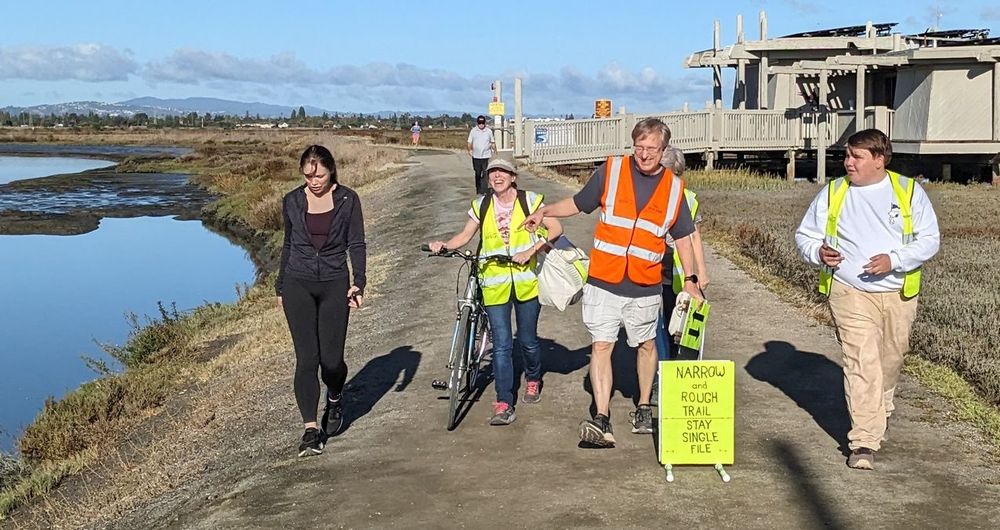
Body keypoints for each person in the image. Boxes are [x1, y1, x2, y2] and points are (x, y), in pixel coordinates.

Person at [522, 118, 703, 447]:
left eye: (652, 149)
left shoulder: (674, 189)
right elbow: (578, 204)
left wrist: (690, 279)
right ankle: (601, 418)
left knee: (647, 346)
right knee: (601, 346)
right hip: (604, 280)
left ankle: (644, 407)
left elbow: (684, 239)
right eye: (639, 146)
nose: (644, 154)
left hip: (645, 284)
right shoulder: (612, 171)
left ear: (664, 151)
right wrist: (544, 211)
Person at [794, 128, 940, 470]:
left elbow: (929, 239)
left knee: (891, 358)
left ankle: (880, 406)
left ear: (879, 159)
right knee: (861, 361)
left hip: (897, 291)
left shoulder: (908, 192)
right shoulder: (834, 192)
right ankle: (863, 441)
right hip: (849, 291)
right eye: (846, 155)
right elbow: (805, 235)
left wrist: (895, 260)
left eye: (856, 157)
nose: (848, 163)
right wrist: (818, 251)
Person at [427, 158, 562, 425]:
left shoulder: (531, 201)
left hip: (526, 282)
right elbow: (465, 236)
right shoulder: (482, 205)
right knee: (501, 345)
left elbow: (556, 229)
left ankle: (533, 378)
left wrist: (531, 251)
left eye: (502, 172)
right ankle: (503, 403)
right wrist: (444, 244)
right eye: (492, 173)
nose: (496, 176)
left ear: (514, 177)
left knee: (527, 340)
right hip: (494, 283)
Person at [277, 144, 367, 457]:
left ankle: (336, 394)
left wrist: (359, 283)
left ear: (331, 171)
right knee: (306, 359)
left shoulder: (347, 199)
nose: (314, 182)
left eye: (320, 175)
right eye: (308, 176)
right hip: (297, 283)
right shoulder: (292, 200)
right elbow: (288, 245)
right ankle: (310, 430)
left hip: (333, 283)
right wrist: (279, 287)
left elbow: (356, 243)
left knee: (330, 360)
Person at [654, 147, 709, 364]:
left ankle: (676, 372)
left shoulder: (689, 199)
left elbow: (695, 237)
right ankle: (660, 374)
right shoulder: (649, 194)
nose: (672, 180)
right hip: (651, 271)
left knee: (678, 327)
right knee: (655, 328)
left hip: (677, 275)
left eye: (676, 174)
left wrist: (700, 273)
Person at [467, 115, 496, 194]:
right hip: (476, 156)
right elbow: (469, 142)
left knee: (486, 172)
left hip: (486, 156)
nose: (481, 124)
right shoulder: (473, 131)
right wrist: (469, 150)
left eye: (482, 122)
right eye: (480, 122)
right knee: (478, 173)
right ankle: (478, 188)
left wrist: (495, 151)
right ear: (477, 123)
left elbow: (492, 142)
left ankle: (484, 189)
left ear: (485, 123)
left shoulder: (488, 131)